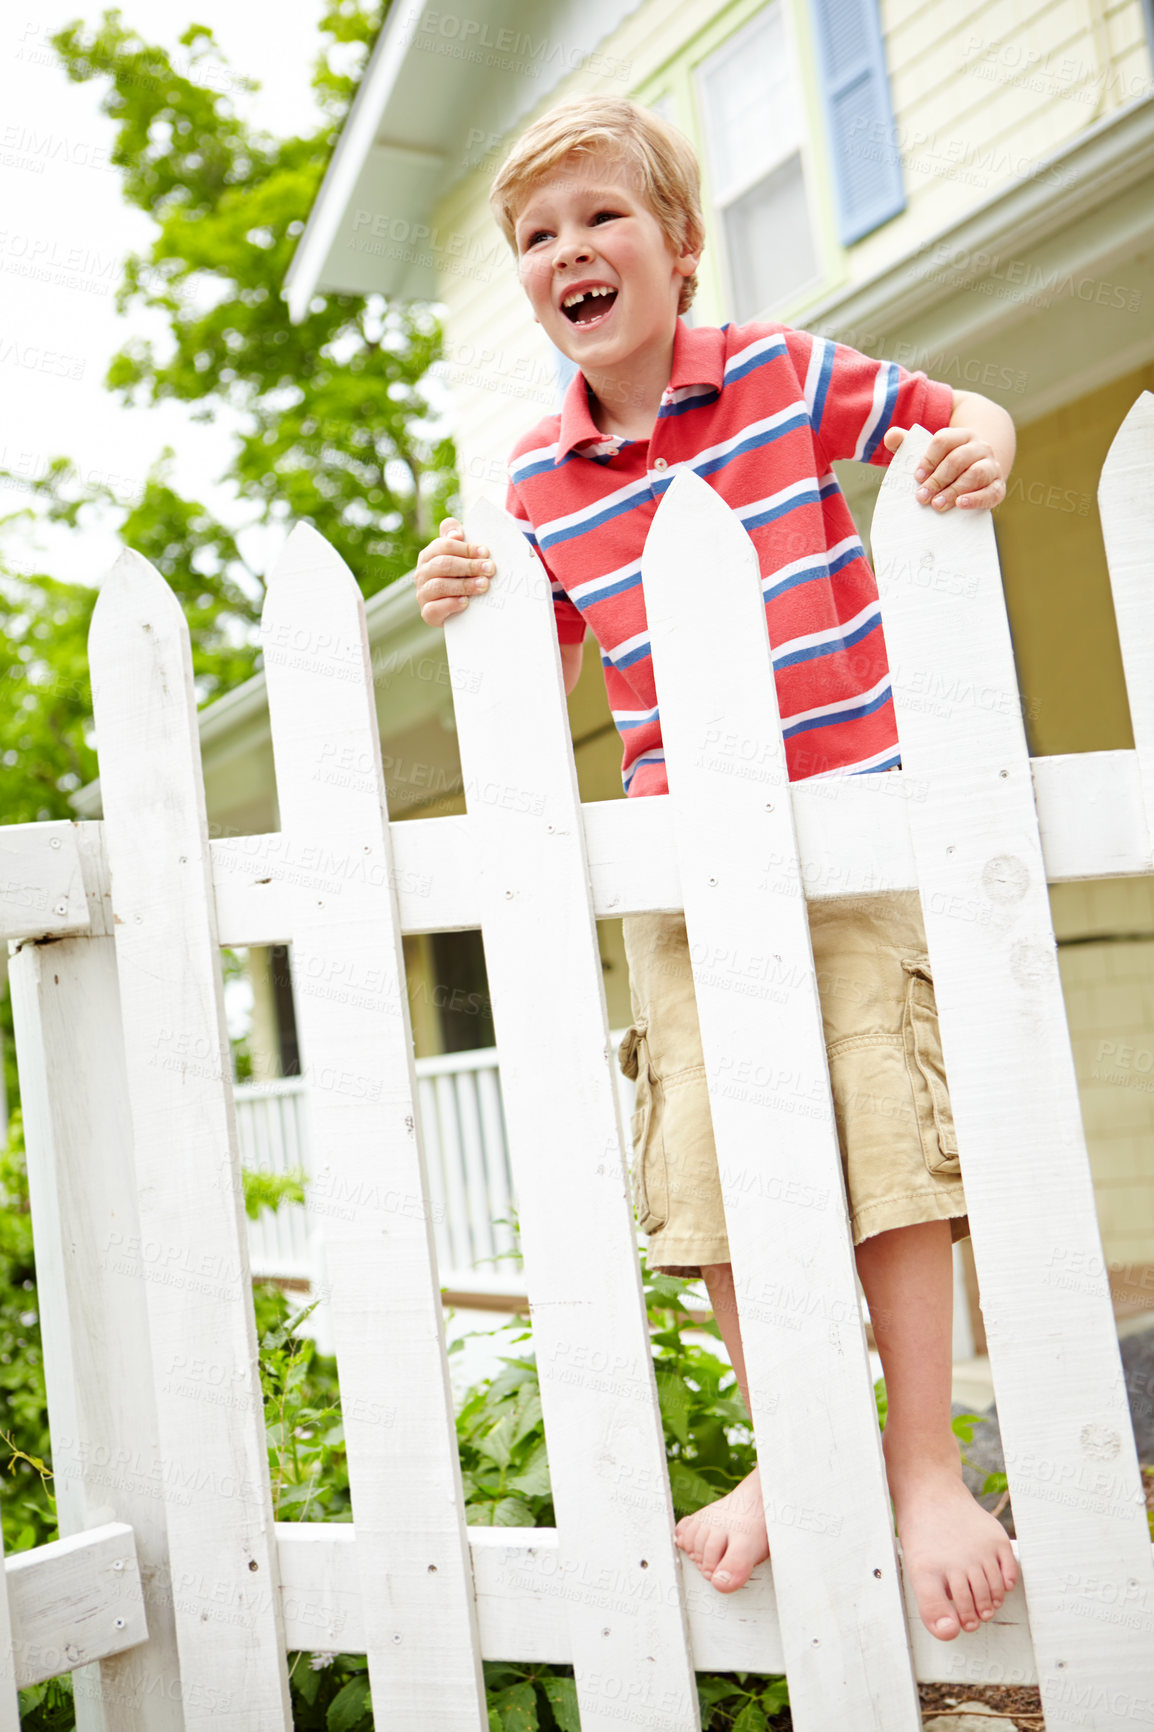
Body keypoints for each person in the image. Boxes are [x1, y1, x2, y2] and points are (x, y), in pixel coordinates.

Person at [415, 95, 1019, 1643]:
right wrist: (469, 590)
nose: (572, 252)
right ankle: (792, 1446)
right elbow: (534, 662)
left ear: (680, 246)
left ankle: (920, 1463)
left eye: (603, 217)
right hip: (683, 867)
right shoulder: (536, 479)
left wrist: (985, 444)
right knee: (714, 1173)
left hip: (851, 829)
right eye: (539, 237)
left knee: (883, 1142)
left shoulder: (776, 372)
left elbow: (951, 414)